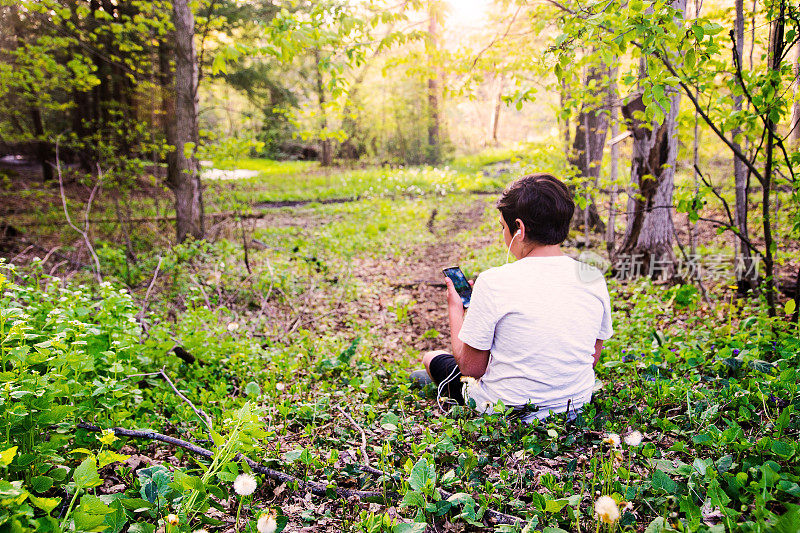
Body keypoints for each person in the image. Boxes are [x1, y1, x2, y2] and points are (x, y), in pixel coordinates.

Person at [411, 173, 613, 421]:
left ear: (520, 228)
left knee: (431, 358)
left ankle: (437, 380)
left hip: (508, 410)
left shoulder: (494, 281)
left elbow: (472, 368)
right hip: (575, 407)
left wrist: (456, 309)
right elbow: (591, 358)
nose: (504, 235)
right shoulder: (592, 277)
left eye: (503, 228)